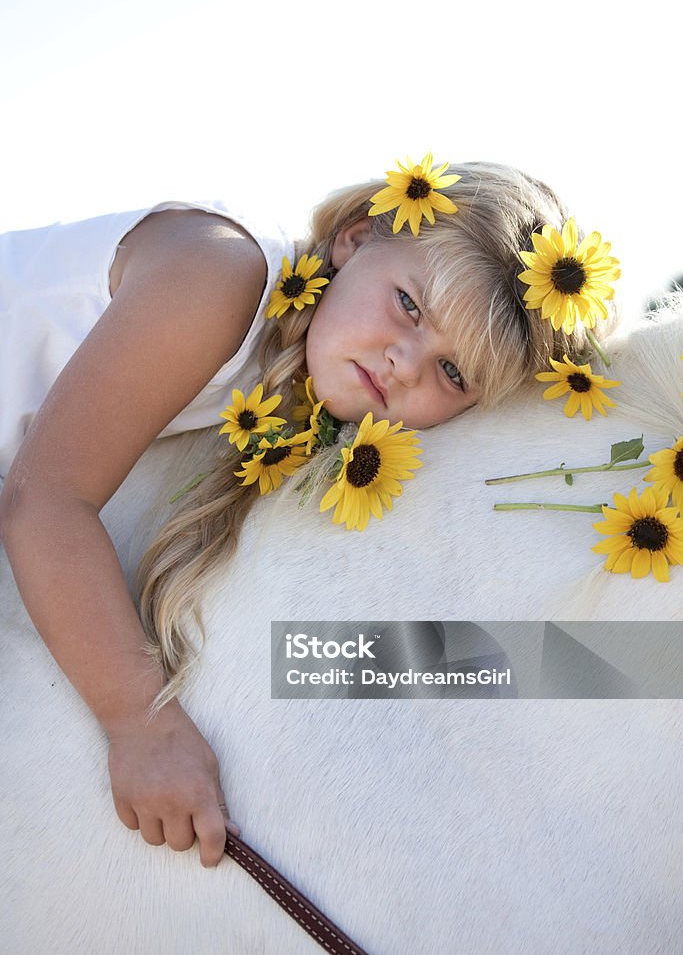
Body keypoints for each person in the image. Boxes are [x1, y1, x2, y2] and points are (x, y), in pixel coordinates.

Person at [0, 157, 616, 868]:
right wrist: (142, 725)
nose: (403, 364)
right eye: (409, 306)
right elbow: (44, 500)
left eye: (451, 372)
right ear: (354, 238)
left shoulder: (298, 389)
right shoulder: (219, 277)